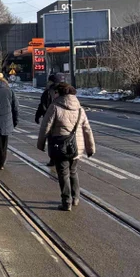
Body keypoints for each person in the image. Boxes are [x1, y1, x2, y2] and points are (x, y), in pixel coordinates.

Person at [36, 83, 96, 211]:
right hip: (76, 146)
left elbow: (45, 127)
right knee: (73, 171)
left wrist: (41, 144)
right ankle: (75, 198)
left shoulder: (55, 107)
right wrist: (90, 148)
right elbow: (87, 129)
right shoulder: (80, 109)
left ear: (59, 93)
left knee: (63, 173)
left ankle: (66, 201)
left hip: (60, 146)